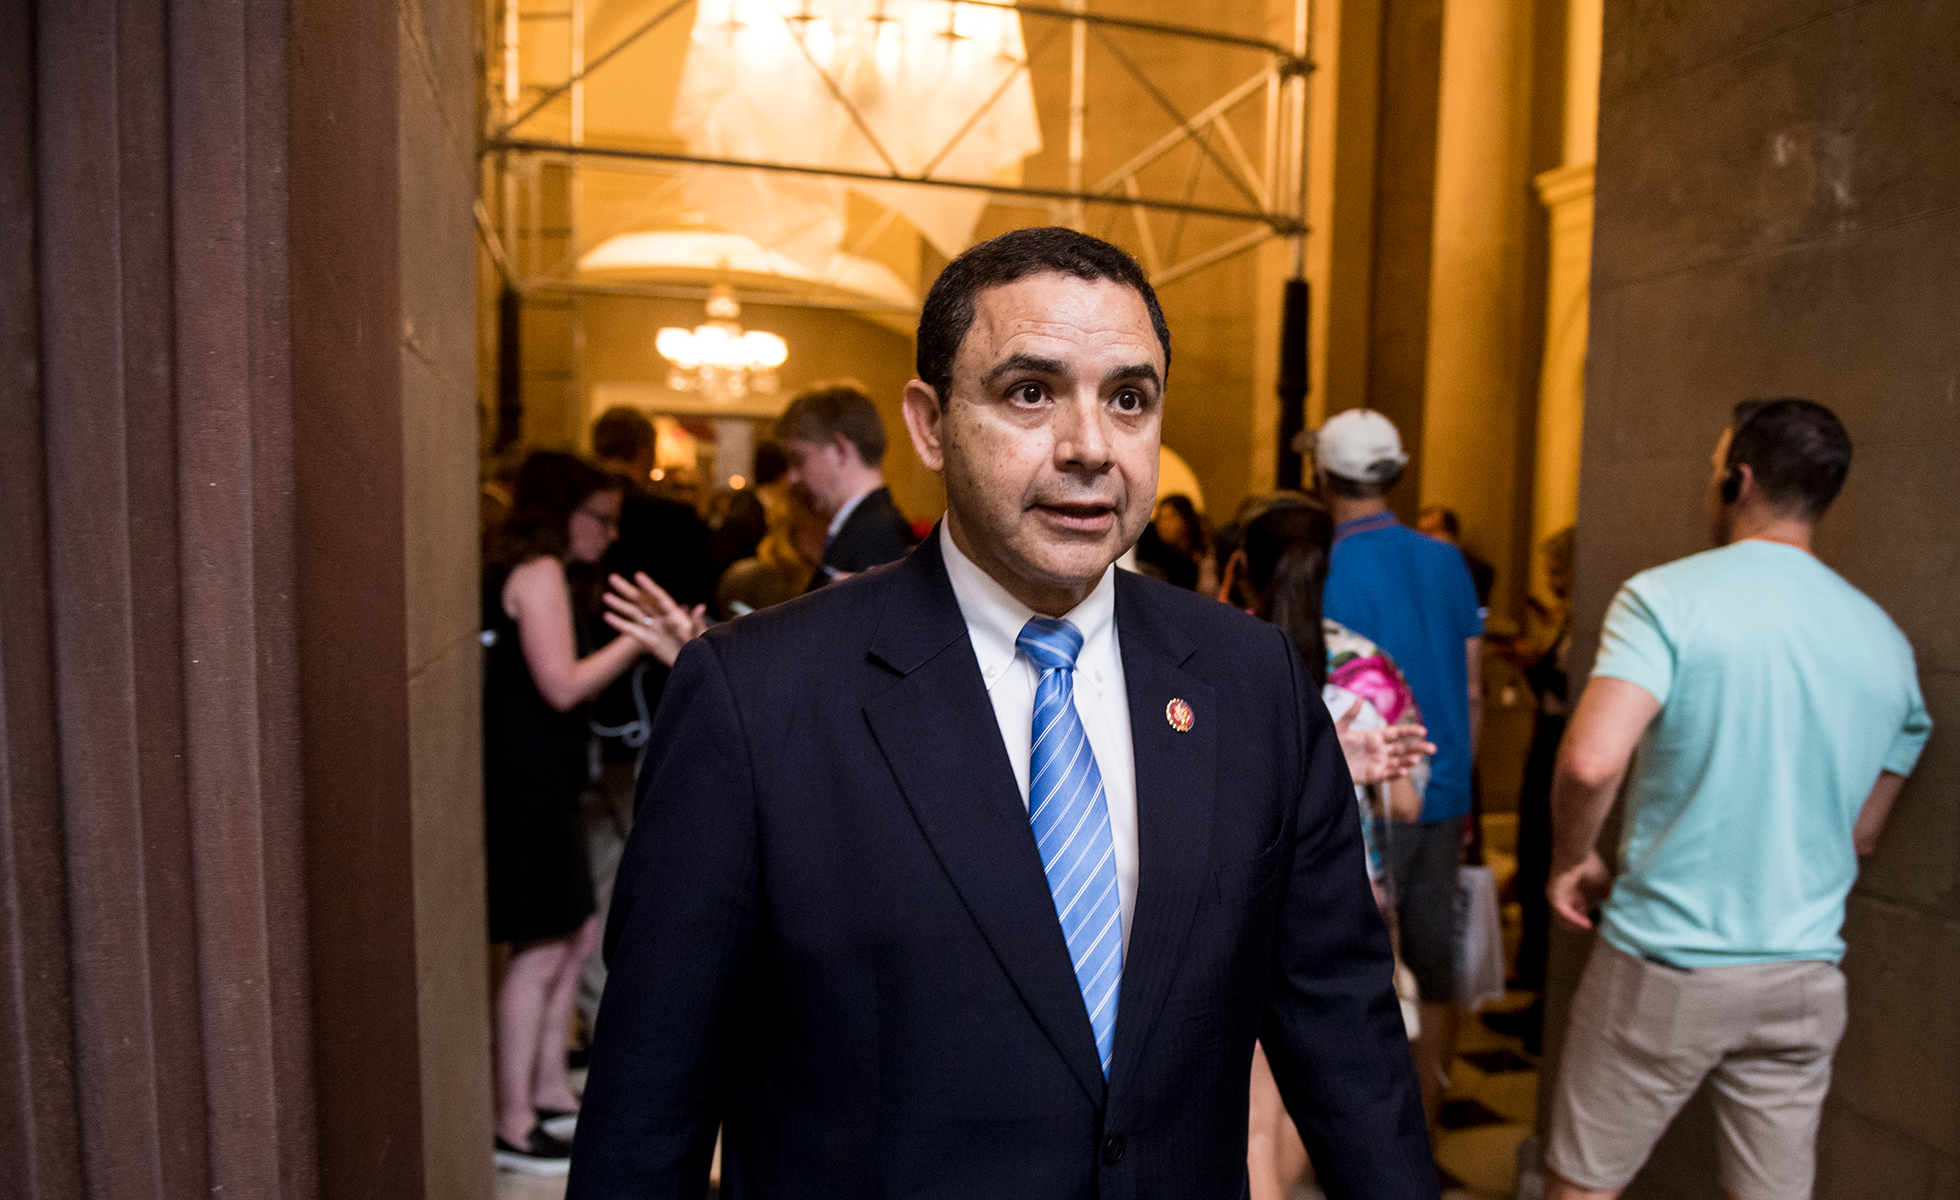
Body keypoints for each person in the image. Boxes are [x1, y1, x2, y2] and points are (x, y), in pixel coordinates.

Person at [569, 228, 1438, 1199]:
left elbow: (1342, 1038)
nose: (1089, 448)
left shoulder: (1251, 683)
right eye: (1030, 392)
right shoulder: (759, 697)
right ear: (929, 423)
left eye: (1127, 399)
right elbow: (647, 1113)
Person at [1542, 399, 1931, 1200]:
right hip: (1803, 975)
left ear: (1736, 478)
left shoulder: (1665, 598)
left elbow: (1590, 763)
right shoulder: (1886, 643)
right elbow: (1861, 835)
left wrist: (1571, 860)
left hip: (1667, 962)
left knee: (1582, 1184)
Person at [481, 451, 704, 1174]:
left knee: (574, 937)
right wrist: (641, 641)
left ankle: (546, 1092)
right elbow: (562, 684)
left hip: (546, 784)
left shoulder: (553, 574)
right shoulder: (540, 572)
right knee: (543, 947)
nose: (609, 536)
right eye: (600, 519)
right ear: (561, 511)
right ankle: (513, 1121)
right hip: (526, 789)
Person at [1230, 499, 1436, 1200]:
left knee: (1249, 1118)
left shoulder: (1217, 657)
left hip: (1237, 907)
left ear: (1240, 568)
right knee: (1308, 1112)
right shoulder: (1370, 667)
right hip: (1344, 908)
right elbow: (1407, 805)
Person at [1314, 408, 1484, 1130]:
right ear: (1398, 473)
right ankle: (1431, 1121)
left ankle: (1369, 1136)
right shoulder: (1447, 561)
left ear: (1320, 477)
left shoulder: (1324, 565)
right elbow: (1471, 687)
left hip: (1366, 800)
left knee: (1363, 971)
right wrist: (1464, 787)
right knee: (1433, 964)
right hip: (1441, 795)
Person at [576, 409, 715, 1039]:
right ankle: (642, 1023)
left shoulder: (575, 525)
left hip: (588, 725)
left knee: (604, 877)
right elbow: (700, 607)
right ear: (644, 451)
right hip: (659, 712)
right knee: (658, 876)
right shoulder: (674, 521)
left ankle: (600, 1017)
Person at [1483, 525, 1575, 1053]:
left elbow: (1572, 687)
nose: (1552, 580)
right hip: (1547, 740)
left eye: (1557, 569)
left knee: (1543, 855)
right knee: (1533, 851)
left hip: (1560, 743)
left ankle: (1542, 988)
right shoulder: (1563, 618)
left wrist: (1538, 663)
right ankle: (1534, 974)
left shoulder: (1588, 618)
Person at [775, 380, 918, 589]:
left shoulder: (875, 538)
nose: (792, 478)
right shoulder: (867, 527)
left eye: (798, 459)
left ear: (840, 449)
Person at [1415, 504, 1494, 614]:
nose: (1422, 538)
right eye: (1420, 532)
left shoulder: (1479, 572)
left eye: (1430, 531)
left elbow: (1481, 614)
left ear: (1449, 535)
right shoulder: (1413, 569)